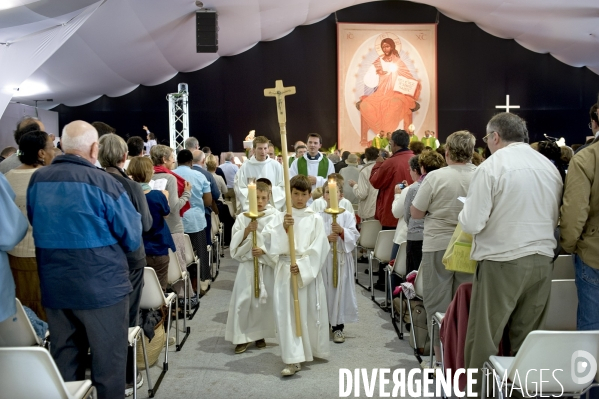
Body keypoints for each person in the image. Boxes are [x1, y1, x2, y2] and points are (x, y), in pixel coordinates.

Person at [27, 120, 142, 399]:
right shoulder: (104, 182)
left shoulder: (39, 179)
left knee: (65, 362)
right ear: (94, 148)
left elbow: (34, 218)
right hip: (102, 288)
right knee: (108, 366)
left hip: (56, 285)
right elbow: (131, 235)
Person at [458, 113, 562, 393]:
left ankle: (479, 394)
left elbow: (472, 223)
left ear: (495, 137)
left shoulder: (492, 167)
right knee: (528, 340)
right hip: (542, 259)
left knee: (484, 338)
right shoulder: (548, 166)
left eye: (486, 138)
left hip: (502, 260)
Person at [410, 130, 476, 365]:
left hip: (438, 243)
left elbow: (416, 213)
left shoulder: (436, 177)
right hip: (470, 245)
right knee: (466, 302)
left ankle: (440, 359)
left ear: (447, 152)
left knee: (438, 302)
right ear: (471, 152)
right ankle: (462, 357)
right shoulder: (481, 175)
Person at [98, 133, 153, 395]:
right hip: (129, 260)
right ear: (124, 157)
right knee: (128, 317)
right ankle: (128, 377)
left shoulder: (94, 182)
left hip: (99, 260)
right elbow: (146, 224)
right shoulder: (130, 187)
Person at [262, 175, 330, 376]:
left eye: (303, 194)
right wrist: (283, 228)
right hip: (285, 269)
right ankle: (293, 358)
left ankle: (309, 349)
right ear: (290, 193)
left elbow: (320, 247)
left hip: (305, 270)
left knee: (308, 311)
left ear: (310, 195)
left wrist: (301, 265)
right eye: (295, 194)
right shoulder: (280, 217)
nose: (299, 198)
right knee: (287, 315)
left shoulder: (315, 218)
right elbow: (267, 241)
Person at [5, 131, 55, 321]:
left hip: (12, 255)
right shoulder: (47, 178)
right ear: (41, 153)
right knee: (43, 308)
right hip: (40, 255)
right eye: (51, 148)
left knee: (22, 309)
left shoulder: (7, 176)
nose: (54, 153)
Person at [225, 181, 278, 353]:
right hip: (248, 265)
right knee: (244, 300)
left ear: (269, 197)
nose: (260, 201)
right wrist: (247, 231)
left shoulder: (275, 216)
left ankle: (259, 334)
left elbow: (278, 242)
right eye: (257, 198)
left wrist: (263, 250)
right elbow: (233, 245)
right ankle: (242, 337)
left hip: (266, 264)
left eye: (264, 198)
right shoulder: (243, 217)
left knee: (263, 302)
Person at [561, 139, 599, 330]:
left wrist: (569, 245)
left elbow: (575, 210)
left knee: (591, 332)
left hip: (594, 254)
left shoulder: (587, 158)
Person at [150, 145, 196, 301]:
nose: (174, 160)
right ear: (164, 159)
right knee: (179, 266)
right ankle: (186, 299)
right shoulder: (169, 178)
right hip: (173, 227)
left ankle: (163, 301)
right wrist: (187, 193)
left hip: (153, 228)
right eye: (172, 156)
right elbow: (174, 207)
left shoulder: (147, 176)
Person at [358, 38, 420, 146]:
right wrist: (378, 73)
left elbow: (407, 77)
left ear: (392, 47)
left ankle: (388, 135)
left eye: (387, 46)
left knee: (394, 104)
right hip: (380, 93)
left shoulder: (398, 62)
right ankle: (380, 134)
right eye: (383, 47)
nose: (385, 49)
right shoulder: (378, 62)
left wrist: (413, 85)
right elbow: (368, 80)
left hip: (395, 93)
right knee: (365, 105)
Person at [319, 181, 360, 343]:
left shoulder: (347, 215)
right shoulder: (318, 216)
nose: (331, 195)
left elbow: (354, 236)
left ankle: (338, 327)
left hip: (342, 258)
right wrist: (326, 239)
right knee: (325, 290)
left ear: (341, 195)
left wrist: (342, 232)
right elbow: (312, 238)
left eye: (334, 192)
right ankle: (323, 323)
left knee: (339, 291)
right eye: (327, 192)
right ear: (323, 196)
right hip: (324, 259)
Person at [128, 156, 175, 291]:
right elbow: (166, 214)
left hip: (136, 250)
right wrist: (166, 197)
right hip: (157, 249)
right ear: (150, 173)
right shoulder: (158, 195)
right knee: (160, 290)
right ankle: (159, 311)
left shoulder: (126, 196)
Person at [174, 150, 212, 294]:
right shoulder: (199, 175)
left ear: (177, 161)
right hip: (195, 221)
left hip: (176, 221)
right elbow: (208, 201)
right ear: (191, 162)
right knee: (200, 252)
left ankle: (181, 287)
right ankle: (202, 284)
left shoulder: (171, 175)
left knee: (180, 256)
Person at [403, 151, 445, 275]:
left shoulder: (415, 188)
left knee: (414, 276)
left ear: (422, 167)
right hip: (437, 235)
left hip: (416, 235)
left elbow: (407, 215)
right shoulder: (442, 186)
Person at [370, 129, 414, 229]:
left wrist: (378, 164)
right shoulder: (416, 159)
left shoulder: (390, 163)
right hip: (413, 213)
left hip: (392, 213)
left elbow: (375, 182)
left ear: (393, 143)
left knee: (390, 243)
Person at [235, 136, 286, 212]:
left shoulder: (276, 166)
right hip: (252, 208)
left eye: (265, 148)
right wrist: (255, 194)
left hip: (271, 209)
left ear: (268, 149)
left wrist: (269, 191)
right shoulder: (246, 167)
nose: (263, 152)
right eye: (260, 148)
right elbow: (240, 188)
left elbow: (283, 187)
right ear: (254, 149)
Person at [349, 147, 379, 221]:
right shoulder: (383, 168)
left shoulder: (365, 171)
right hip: (381, 209)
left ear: (366, 156)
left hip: (369, 210)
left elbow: (362, 194)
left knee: (368, 231)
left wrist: (354, 186)